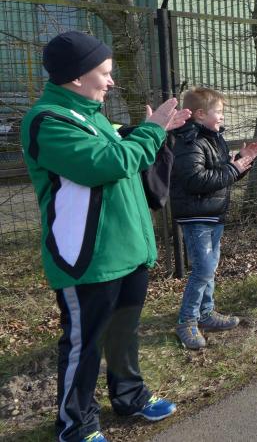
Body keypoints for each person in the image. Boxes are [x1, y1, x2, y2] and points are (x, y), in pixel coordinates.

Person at [20, 31, 191, 442]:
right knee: (85, 344)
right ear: (77, 76)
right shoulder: (47, 121)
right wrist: (152, 130)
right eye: (104, 73)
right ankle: (76, 424)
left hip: (127, 251)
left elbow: (121, 146)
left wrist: (151, 130)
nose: (111, 82)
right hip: (88, 258)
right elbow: (107, 163)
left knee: (123, 332)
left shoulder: (93, 115)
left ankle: (130, 396)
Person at [170, 87, 257, 349]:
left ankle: (206, 313)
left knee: (209, 266)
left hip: (212, 214)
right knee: (203, 269)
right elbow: (196, 180)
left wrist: (241, 163)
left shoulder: (214, 138)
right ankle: (187, 320)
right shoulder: (190, 141)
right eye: (218, 112)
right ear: (200, 114)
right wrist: (233, 168)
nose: (222, 116)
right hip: (196, 216)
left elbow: (221, 176)